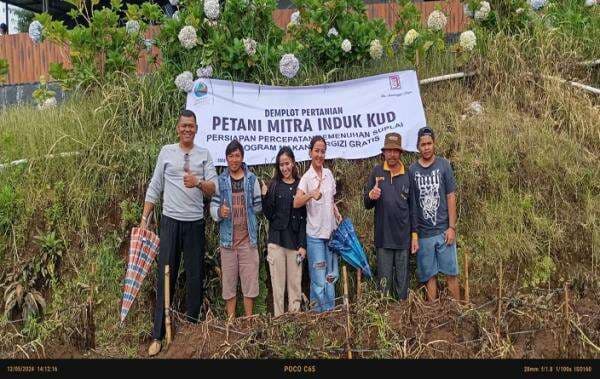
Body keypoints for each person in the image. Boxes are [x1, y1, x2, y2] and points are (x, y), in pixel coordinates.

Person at [141, 109, 217, 356]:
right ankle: (158, 334)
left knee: (195, 278)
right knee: (166, 275)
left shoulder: (204, 155)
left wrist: (198, 182)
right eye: (183, 125)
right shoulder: (167, 152)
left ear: (196, 129)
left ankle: (192, 332)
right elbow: (154, 187)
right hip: (170, 222)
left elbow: (213, 188)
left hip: (194, 224)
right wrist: (145, 219)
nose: (187, 129)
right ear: (178, 128)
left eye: (191, 126)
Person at [210, 140, 262, 319]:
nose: (234, 159)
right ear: (226, 158)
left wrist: (262, 195)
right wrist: (219, 211)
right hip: (228, 243)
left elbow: (257, 208)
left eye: (237, 155)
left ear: (242, 157)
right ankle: (230, 323)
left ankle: (248, 321)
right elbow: (212, 209)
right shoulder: (220, 181)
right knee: (229, 284)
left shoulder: (252, 179)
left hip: (248, 242)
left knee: (249, 283)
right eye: (230, 156)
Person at [364, 133, 418, 300]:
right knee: (384, 283)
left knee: (402, 282)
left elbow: (414, 208)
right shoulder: (376, 171)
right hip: (383, 237)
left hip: (403, 238)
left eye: (395, 151)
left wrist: (414, 237)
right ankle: (384, 315)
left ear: (400, 153)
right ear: (384, 152)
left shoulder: (408, 174)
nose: (392, 155)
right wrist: (371, 196)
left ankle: (401, 315)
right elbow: (366, 203)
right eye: (389, 151)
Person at [409, 126, 459, 302]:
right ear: (418, 147)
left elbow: (451, 196)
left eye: (429, 143)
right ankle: (433, 316)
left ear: (434, 144)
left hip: (444, 230)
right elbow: (413, 204)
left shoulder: (444, 165)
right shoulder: (412, 170)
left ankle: (457, 313)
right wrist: (414, 234)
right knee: (429, 276)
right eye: (423, 144)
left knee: (451, 273)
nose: (427, 147)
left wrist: (452, 227)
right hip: (424, 234)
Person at [294, 136, 342, 312]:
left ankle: (331, 314)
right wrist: (310, 195)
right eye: (317, 151)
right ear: (310, 152)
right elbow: (296, 202)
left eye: (322, 151)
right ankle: (317, 317)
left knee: (331, 276)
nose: (320, 155)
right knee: (319, 279)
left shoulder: (328, 174)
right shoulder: (306, 178)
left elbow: (331, 199)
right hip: (315, 237)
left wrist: (336, 211)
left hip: (331, 234)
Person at [261, 146, 307, 317]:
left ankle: (294, 324)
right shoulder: (274, 185)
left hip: (295, 243)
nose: (285, 168)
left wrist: (303, 245)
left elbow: (304, 217)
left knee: (295, 287)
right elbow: (269, 215)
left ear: (293, 163)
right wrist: (265, 197)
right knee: (277, 288)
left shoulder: (301, 185)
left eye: (287, 163)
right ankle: (278, 325)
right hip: (276, 242)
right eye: (281, 165)